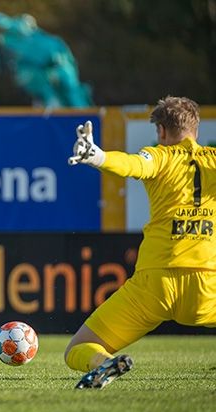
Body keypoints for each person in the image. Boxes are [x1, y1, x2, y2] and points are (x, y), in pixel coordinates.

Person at [65, 96, 216, 389]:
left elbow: (133, 165)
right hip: (208, 284)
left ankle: (103, 364)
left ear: (161, 132)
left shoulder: (159, 156)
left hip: (155, 284)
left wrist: (96, 156)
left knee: (77, 349)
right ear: (196, 130)